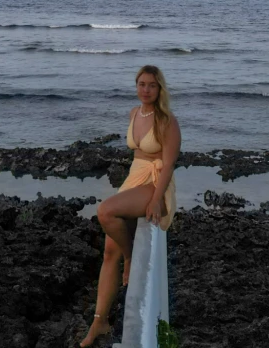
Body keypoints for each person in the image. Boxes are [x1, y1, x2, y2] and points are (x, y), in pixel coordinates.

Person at [80, 64, 181, 347]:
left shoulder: (167, 120)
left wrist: (154, 198)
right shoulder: (134, 113)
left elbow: (170, 162)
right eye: (141, 84)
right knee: (108, 251)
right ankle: (100, 321)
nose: (145, 89)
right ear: (136, 87)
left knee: (105, 211)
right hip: (134, 176)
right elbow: (136, 153)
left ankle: (131, 256)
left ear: (159, 88)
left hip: (156, 181)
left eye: (151, 85)